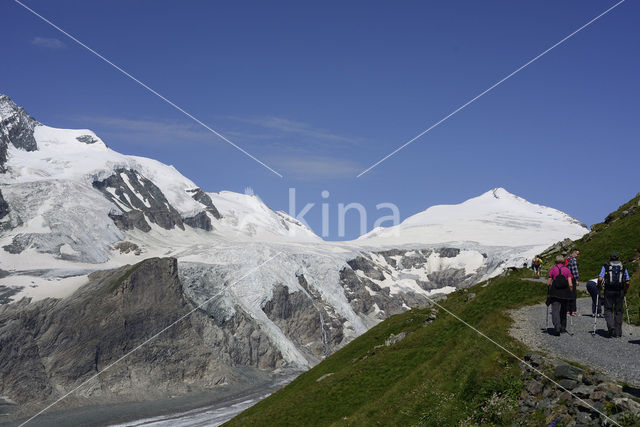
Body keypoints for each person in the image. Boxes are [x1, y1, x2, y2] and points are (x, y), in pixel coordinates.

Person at [598, 252, 630, 338]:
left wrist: (599, 286)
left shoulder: (606, 266)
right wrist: (625, 290)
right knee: (618, 311)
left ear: (610, 258)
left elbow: (600, 278)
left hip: (608, 290)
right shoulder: (623, 267)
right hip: (620, 291)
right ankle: (618, 332)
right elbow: (627, 282)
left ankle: (611, 326)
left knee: (608, 309)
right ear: (619, 258)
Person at [546, 255, 575, 336]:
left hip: (555, 292)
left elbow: (548, 283)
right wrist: (571, 291)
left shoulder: (552, 269)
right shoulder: (567, 270)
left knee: (555, 310)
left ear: (556, 261)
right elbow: (570, 284)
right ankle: (563, 327)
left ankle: (557, 327)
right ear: (563, 261)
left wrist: (548, 285)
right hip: (565, 292)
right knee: (563, 310)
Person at [565, 249, 580, 316]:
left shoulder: (567, 258)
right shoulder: (573, 260)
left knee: (567, 294)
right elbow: (575, 271)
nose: (578, 255)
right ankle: (573, 311)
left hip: (566, 278)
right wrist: (576, 280)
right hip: (572, 278)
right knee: (573, 294)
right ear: (574, 253)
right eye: (577, 254)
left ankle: (567, 310)